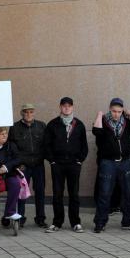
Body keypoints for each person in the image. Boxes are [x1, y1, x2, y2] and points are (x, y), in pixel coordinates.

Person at [91, 98, 130, 233]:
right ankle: (100, 222)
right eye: (114, 111)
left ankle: (128, 221)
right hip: (108, 162)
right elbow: (96, 131)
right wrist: (99, 115)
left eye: (119, 112)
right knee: (105, 193)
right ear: (110, 109)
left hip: (125, 162)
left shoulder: (126, 122)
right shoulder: (102, 121)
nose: (116, 114)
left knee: (128, 193)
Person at [44, 97, 88, 233]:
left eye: (69, 106)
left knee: (74, 194)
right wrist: (52, 161)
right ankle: (57, 222)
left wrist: (79, 160)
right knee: (57, 194)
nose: (67, 108)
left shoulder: (79, 125)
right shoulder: (52, 124)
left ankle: (75, 222)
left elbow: (84, 146)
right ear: (60, 107)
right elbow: (46, 145)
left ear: (73, 107)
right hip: (58, 164)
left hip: (74, 165)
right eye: (64, 106)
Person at [8, 103, 47, 228]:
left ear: (34, 113)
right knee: (21, 192)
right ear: (21, 113)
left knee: (40, 191)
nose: (28, 114)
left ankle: (40, 219)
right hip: (23, 166)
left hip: (38, 165)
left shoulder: (41, 126)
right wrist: (17, 163)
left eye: (31, 112)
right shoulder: (14, 127)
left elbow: (47, 144)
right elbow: (12, 147)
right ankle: (20, 218)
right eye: (25, 112)